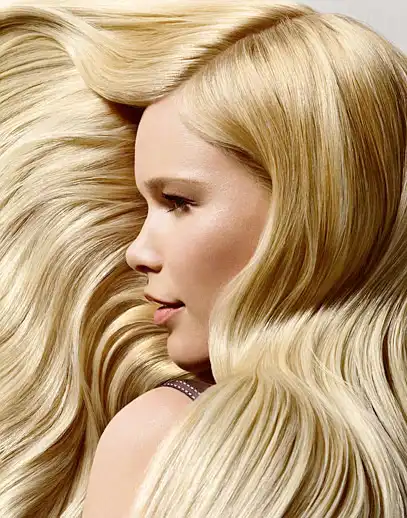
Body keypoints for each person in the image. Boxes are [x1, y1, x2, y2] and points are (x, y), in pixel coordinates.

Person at [1, 1, 407, 517]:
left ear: (307, 209)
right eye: (146, 206)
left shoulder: (159, 437)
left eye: (177, 201)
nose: (137, 252)